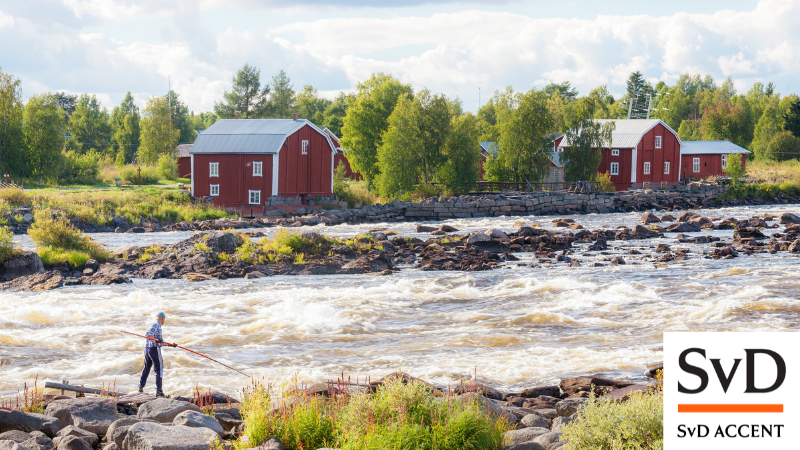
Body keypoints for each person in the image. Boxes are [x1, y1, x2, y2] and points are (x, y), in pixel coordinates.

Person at [138, 312, 176, 396]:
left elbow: (159, 342)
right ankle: (159, 391)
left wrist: (170, 345)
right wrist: (156, 341)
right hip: (154, 349)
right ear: (162, 318)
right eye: (164, 319)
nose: (164, 321)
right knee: (159, 369)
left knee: (146, 368)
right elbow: (148, 335)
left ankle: (140, 387)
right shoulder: (156, 325)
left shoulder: (154, 324)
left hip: (147, 349)